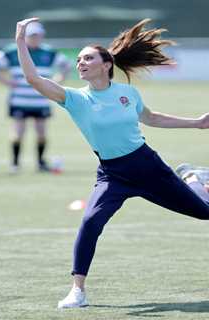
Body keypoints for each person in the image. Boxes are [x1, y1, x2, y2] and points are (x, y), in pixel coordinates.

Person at [15, 17, 209, 308]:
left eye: (88, 58)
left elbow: (152, 118)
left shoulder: (128, 93)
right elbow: (34, 79)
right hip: (112, 175)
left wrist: (196, 123)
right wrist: (20, 40)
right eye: (79, 59)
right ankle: (77, 291)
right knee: (91, 222)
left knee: (204, 213)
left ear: (106, 65)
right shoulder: (74, 99)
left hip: (148, 167)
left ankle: (193, 178)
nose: (81, 63)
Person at [0, 21, 71, 172]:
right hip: (19, 100)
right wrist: (5, 81)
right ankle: (15, 163)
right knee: (18, 133)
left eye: (38, 36)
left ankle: (41, 163)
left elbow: (66, 65)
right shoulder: (12, 51)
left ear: (42, 36)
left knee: (41, 133)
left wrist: (57, 82)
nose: (35, 39)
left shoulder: (49, 52)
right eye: (32, 36)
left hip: (41, 101)